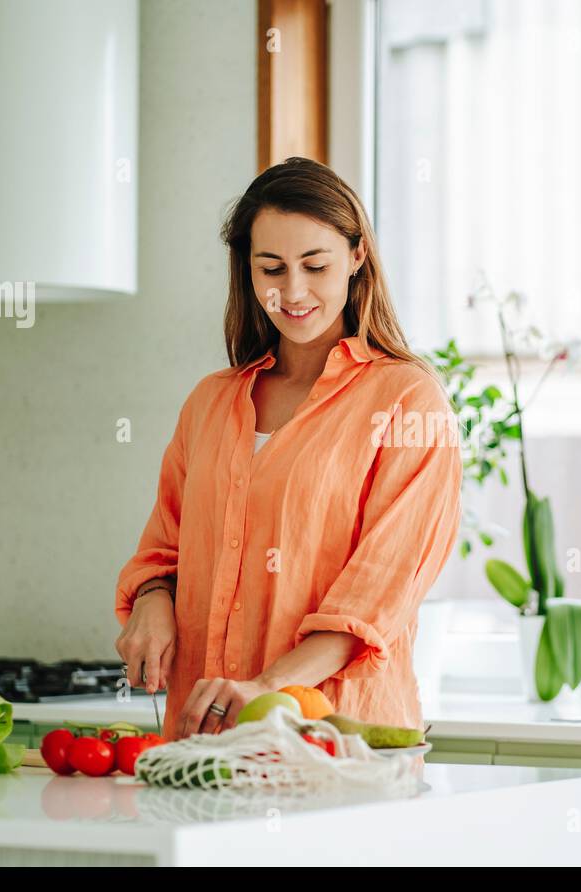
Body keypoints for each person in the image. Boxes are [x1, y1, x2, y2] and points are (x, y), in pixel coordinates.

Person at [114, 157, 462, 740]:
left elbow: (376, 597)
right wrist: (151, 599)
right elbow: (163, 553)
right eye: (271, 268)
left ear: (357, 257)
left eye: (315, 265)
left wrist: (266, 687)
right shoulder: (211, 403)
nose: (292, 292)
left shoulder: (408, 402)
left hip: (336, 746)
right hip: (202, 746)